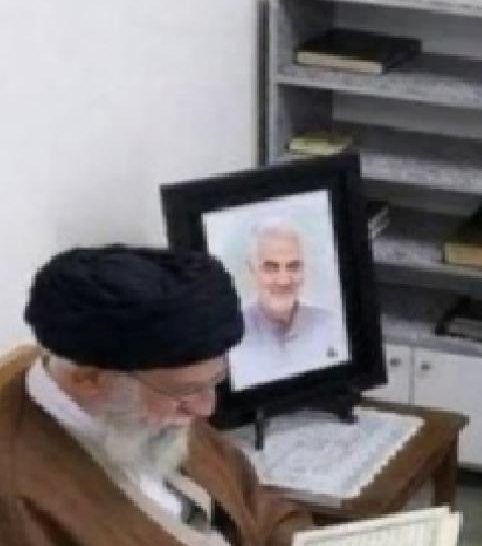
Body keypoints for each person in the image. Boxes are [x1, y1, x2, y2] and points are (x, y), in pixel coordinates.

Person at [0, 245, 312, 545]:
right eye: (184, 390)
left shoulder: (152, 401)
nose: (206, 408)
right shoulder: (17, 504)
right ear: (87, 378)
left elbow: (262, 512)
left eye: (214, 382)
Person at [230, 219, 346, 390]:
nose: (284, 280)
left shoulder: (332, 326)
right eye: (271, 268)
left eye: (293, 267)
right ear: (251, 271)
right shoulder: (230, 335)